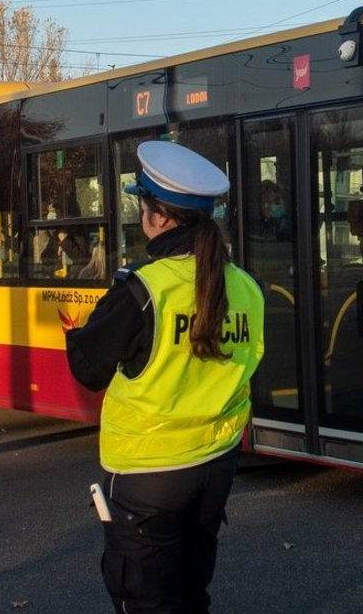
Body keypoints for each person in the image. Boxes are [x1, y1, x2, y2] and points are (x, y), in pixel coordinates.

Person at [65, 141, 265, 613]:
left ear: (155, 216)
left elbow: (87, 368)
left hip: (147, 475)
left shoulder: (142, 288)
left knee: (149, 602)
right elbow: (249, 360)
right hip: (215, 465)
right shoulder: (246, 286)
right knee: (192, 596)